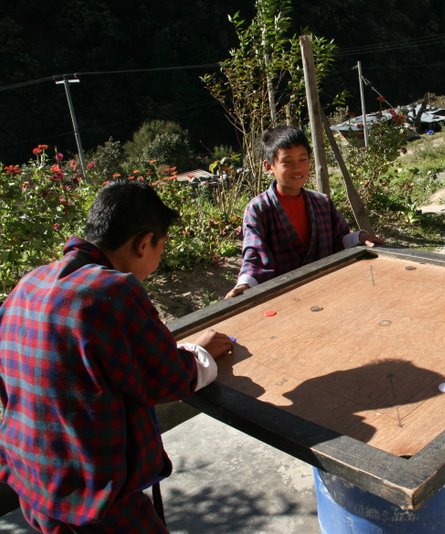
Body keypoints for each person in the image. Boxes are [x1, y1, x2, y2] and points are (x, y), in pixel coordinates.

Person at [0, 180, 233, 533]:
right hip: (94, 498)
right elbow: (168, 380)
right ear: (144, 243)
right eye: (161, 246)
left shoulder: (28, 284)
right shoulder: (114, 290)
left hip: (33, 482)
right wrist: (200, 351)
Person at [226, 126, 381, 298]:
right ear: (269, 166)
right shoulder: (258, 209)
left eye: (302, 160)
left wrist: (360, 237)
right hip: (284, 298)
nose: (297, 168)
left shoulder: (321, 202)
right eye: (287, 162)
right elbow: (254, 255)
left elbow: (339, 239)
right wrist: (245, 283)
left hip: (326, 290)